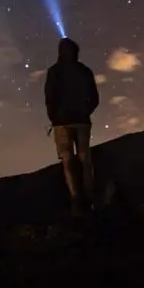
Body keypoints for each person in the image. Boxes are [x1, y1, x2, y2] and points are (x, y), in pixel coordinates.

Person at [44, 36, 100, 216]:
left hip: (62, 124)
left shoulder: (54, 71)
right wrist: (85, 111)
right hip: (81, 121)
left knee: (67, 162)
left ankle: (76, 200)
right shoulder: (85, 71)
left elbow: (49, 98)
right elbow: (95, 98)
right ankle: (89, 199)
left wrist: (54, 117)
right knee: (85, 159)